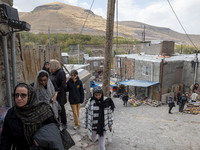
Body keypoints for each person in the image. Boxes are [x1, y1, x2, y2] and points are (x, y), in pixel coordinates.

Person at [0, 83, 64, 150]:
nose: (19, 98)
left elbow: (53, 129)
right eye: (16, 95)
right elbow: (6, 137)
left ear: (30, 96)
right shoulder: (12, 113)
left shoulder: (43, 110)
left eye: (23, 95)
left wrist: (40, 138)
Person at [49, 59, 67, 129]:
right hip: (54, 94)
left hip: (60, 95)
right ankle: (58, 122)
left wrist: (57, 91)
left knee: (61, 109)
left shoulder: (61, 72)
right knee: (55, 109)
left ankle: (64, 123)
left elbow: (63, 84)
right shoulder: (53, 73)